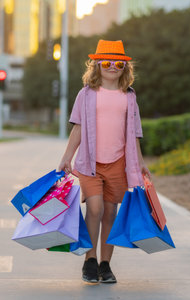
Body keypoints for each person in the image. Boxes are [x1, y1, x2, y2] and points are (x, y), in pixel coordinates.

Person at [58, 40, 150, 284]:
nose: (112, 66)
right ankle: (90, 260)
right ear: (96, 66)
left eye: (118, 63)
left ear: (125, 67)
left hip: (119, 163)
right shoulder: (87, 94)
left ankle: (105, 264)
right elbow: (78, 127)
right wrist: (67, 157)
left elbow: (134, 133)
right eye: (106, 62)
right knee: (95, 208)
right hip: (90, 162)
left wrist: (139, 163)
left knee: (110, 212)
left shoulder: (129, 97)